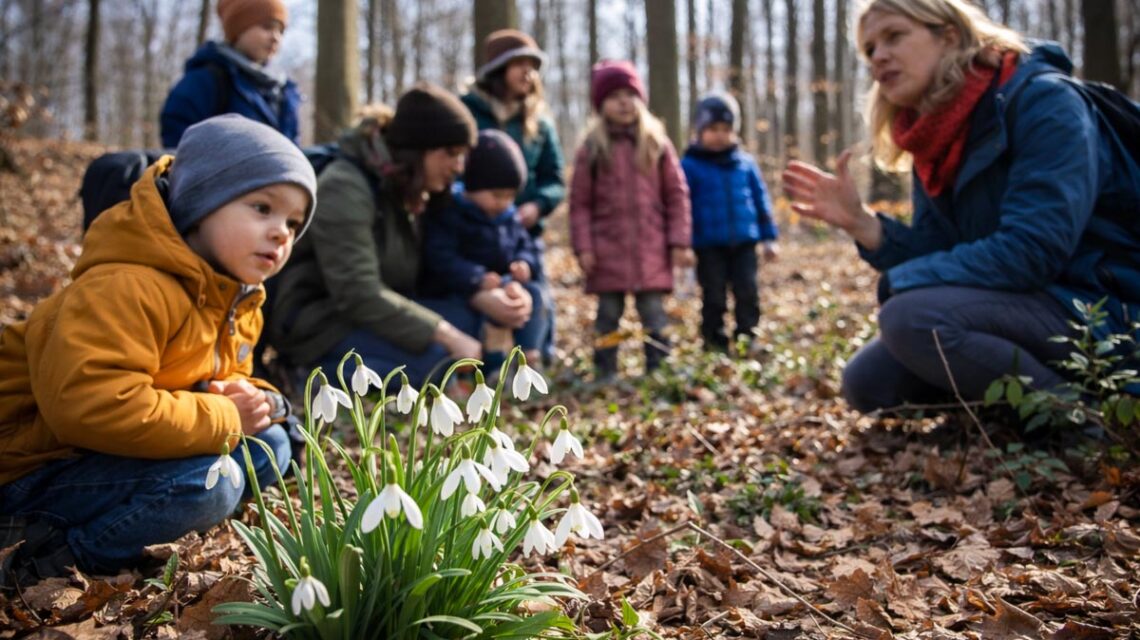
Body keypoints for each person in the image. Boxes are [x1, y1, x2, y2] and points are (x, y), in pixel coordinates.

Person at [0, 115, 317, 586]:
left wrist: (265, 402)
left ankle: (148, 518)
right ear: (201, 203)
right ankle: (44, 555)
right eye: (262, 207)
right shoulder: (125, 286)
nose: (281, 233)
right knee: (212, 483)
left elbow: (231, 379)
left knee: (270, 445)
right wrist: (228, 417)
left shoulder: (236, 294)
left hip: (116, 450)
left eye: (293, 222)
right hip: (33, 469)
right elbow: (89, 407)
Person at [782, 0, 1140, 413]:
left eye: (894, 36)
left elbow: (1033, 250)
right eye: (869, 49)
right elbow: (942, 249)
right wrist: (864, 225)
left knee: (912, 318)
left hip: (1105, 311)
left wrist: (902, 279)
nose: (879, 56)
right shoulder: (937, 137)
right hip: (1029, 304)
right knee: (868, 383)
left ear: (948, 34)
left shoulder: (1045, 102)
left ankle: (1079, 424)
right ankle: (1008, 413)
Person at [270, 84, 534, 387]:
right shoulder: (345, 187)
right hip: (322, 322)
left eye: (463, 156)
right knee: (436, 366)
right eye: (451, 153)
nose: (459, 168)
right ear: (418, 148)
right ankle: (308, 373)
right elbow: (357, 293)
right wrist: (446, 334)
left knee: (472, 324)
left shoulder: (412, 189)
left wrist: (486, 292)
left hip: (382, 309)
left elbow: (436, 263)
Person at [568, 60, 693, 379]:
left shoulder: (656, 144)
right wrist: (583, 248)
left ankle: (659, 369)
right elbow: (579, 204)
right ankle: (605, 369)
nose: (623, 102)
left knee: (653, 312)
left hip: (651, 247)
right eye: (614, 96)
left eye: (629, 94)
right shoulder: (593, 149)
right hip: (607, 249)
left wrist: (679, 241)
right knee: (608, 313)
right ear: (600, 105)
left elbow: (677, 195)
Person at [461, 29, 565, 364]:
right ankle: (486, 366)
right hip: (474, 228)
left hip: (524, 234)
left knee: (536, 297)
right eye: (519, 64)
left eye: (533, 66)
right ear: (497, 71)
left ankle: (537, 365)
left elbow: (555, 179)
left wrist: (538, 205)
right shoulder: (467, 113)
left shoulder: (540, 123)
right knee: (484, 296)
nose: (529, 73)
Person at [423, 130, 548, 371]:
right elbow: (440, 257)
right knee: (483, 318)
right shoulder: (452, 213)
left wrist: (524, 264)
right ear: (471, 187)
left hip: (507, 284)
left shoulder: (509, 217)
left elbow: (527, 246)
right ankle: (491, 366)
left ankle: (530, 357)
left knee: (533, 294)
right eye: (496, 195)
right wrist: (476, 278)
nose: (503, 203)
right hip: (463, 290)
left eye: (511, 197)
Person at [681, 92, 779, 353]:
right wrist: (683, 244)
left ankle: (748, 336)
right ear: (700, 130)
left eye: (726, 129)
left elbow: (761, 200)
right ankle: (714, 341)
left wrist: (769, 238)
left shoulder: (745, 164)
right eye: (712, 129)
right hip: (708, 244)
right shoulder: (689, 166)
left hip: (744, 241)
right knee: (714, 295)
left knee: (747, 291)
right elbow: (682, 207)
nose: (719, 135)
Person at [160, 0, 300, 148]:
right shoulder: (206, 80)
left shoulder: (285, 90)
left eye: (281, 30)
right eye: (267, 27)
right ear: (238, 30)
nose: (276, 37)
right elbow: (179, 142)